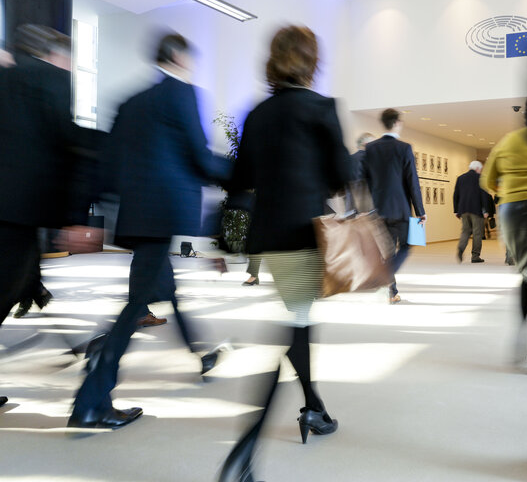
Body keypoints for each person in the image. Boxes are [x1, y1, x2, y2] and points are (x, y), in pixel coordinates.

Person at [67, 32, 232, 430]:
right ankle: (92, 397)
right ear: (178, 56)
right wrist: (241, 175)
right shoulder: (182, 93)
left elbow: (107, 163)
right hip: (162, 213)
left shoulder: (130, 101)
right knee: (135, 305)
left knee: (158, 291)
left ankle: (196, 351)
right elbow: (198, 156)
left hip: (136, 215)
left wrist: (82, 212)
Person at [219, 25, 352, 482]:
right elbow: (341, 174)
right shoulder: (321, 109)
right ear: (312, 61)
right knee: (292, 327)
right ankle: (246, 447)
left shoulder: (257, 114)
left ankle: (314, 407)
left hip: (271, 236)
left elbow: (240, 178)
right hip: (307, 233)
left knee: (299, 321)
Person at [0, 26, 92, 408]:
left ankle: (34, 290)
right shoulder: (51, 78)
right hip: (18, 208)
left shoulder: (8, 78)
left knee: (14, 283)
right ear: (57, 55)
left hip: (11, 207)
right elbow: (63, 141)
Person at [481, 93, 527, 375]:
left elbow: (487, 180)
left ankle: (519, 331)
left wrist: (509, 193)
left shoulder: (509, 140)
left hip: (511, 212)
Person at [362, 108, 426, 304]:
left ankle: (392, 292)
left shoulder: (371, 148)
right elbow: (412, 182)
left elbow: (366, 181)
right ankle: (386, 276)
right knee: (407, 246)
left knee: (387, 252)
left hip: (378, 209)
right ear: (397, 123)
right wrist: (421, 212)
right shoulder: (405, 147)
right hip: (401, 209)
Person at [453, 160, 490, 263]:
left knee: (465, 231)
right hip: (476, 210)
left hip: (463, 210)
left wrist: (456, 210)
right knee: (477, 233)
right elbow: (484, 195)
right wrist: (485, 210)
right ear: (478, 168)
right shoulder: (481, 178)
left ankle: (461, 248)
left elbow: (456, 195)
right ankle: (475, 256)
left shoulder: (460, 178)